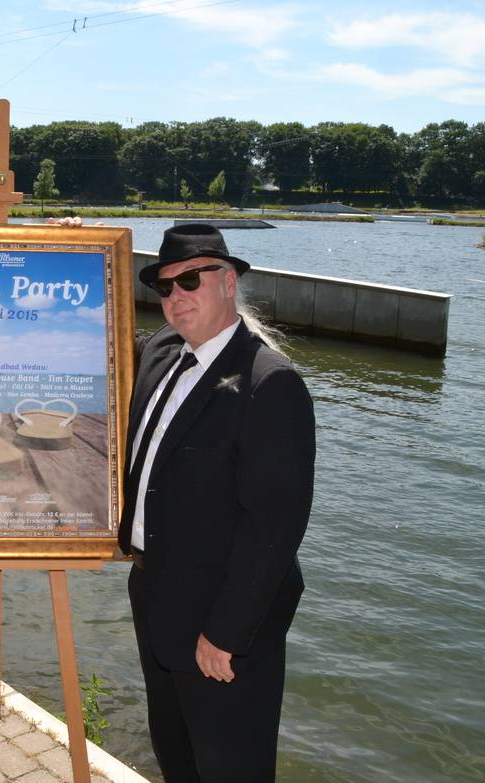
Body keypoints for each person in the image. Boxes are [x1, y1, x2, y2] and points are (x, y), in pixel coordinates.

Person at [122, 223, 315, 781]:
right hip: (155, 597)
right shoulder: (159, 351)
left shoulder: (269, 383)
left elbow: (276, 524)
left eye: (191, 280)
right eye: (165, 286)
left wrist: (226, 633)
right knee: (177, 758)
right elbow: (90, 358)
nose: (176, 296)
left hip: (222, 626)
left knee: (232, 768)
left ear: (229, 282)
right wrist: (76, 250)